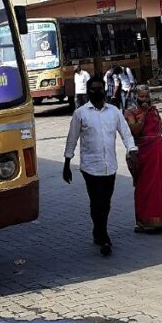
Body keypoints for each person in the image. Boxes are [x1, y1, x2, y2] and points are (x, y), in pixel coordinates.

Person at [64, 74, 137, 256]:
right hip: (90, 167)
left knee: (106, 203)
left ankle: (98, 231)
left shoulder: (114, 112)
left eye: (99, 88)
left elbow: (126, 133)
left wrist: (132, 149)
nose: (97, 92)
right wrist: (67, 162)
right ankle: (104, 237)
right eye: (93, 89)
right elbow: (72, 139)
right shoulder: (80, 113)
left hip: (110, 166)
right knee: (96, 202)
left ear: (105, 90)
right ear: (88, 91)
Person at [123, 84, 162, 232]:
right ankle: (144, 221)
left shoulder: (154, 110)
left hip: (158, 154)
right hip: (143, 154)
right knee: (145, 187)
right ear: (136, 96)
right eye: (141, 96)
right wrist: (142, 115)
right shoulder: (130, 112)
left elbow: (159, 129)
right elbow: (134, 131)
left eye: (147, 96)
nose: (144, 99)